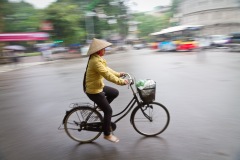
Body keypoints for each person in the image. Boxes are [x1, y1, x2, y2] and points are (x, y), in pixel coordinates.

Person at [83, 38, 128, 143]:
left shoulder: (98, 58)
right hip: (93, 90)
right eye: (104, 49)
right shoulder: (95, 61)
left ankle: (100, 106)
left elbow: (107, 69)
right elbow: (107, 75)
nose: (105, 50)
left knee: (114, 92)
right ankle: (107, 134)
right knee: (108, 111)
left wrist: (118, 74)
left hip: (98, 86)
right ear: (98, 50)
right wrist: (121, 82)